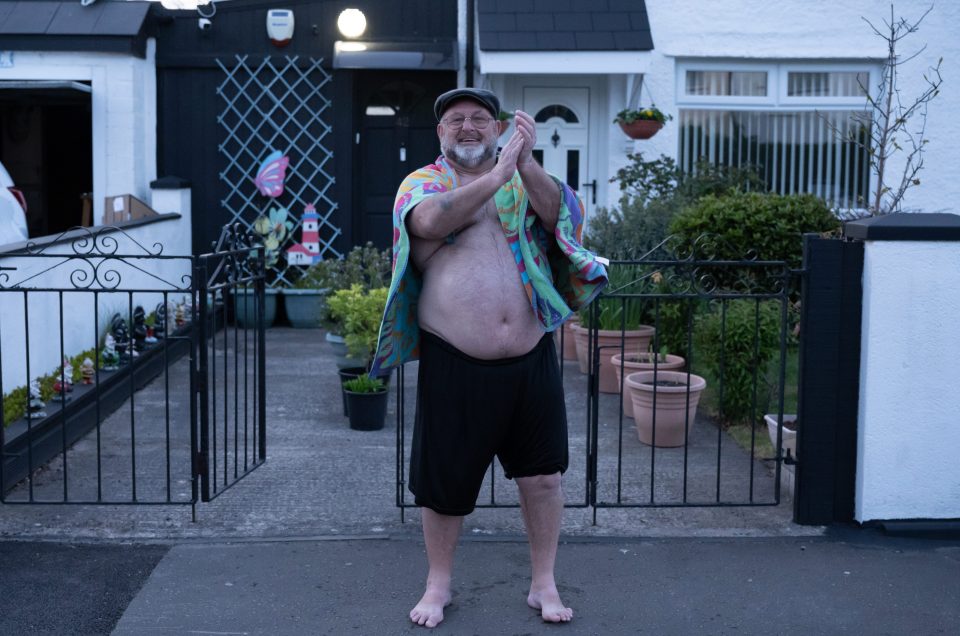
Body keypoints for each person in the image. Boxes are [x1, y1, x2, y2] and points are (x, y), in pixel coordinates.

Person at [369, 87, 607, 628]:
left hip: (530, 355)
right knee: (444, 482)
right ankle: (438, 585)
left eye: (481, 118)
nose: (469, 126)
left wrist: (523, 165)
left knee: (543, 477)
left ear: (499, 129)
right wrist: (496, 177)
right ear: (440, 133)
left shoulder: (524, 178)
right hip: (455, 359)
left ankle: (543, 582)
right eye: (457, 119)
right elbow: (427, 224)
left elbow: (565, 217)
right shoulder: (423, 183)